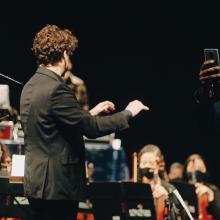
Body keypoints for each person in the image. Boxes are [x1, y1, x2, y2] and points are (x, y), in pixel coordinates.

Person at [20, 24, 149, 220]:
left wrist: (93, 111)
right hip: (57, 187)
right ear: (63, 54)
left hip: (37, 184)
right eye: (69, 54)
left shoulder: (30, 86)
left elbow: (56, 124)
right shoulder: (56, 88)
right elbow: (92, 129)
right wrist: (128, 112)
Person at [138, 144, 187, 220]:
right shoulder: (134, 187)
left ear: (160, 165)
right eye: (144, 163)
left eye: (151, 163)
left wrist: (168, 201)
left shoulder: (169, 188)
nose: (147, 166)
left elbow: (184, 216)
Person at [184, 153, 220, 219]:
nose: (195, 168)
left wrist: (211, 197)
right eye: (192, 167)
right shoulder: (182, 189)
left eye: (199, 168)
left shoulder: (213, 189)